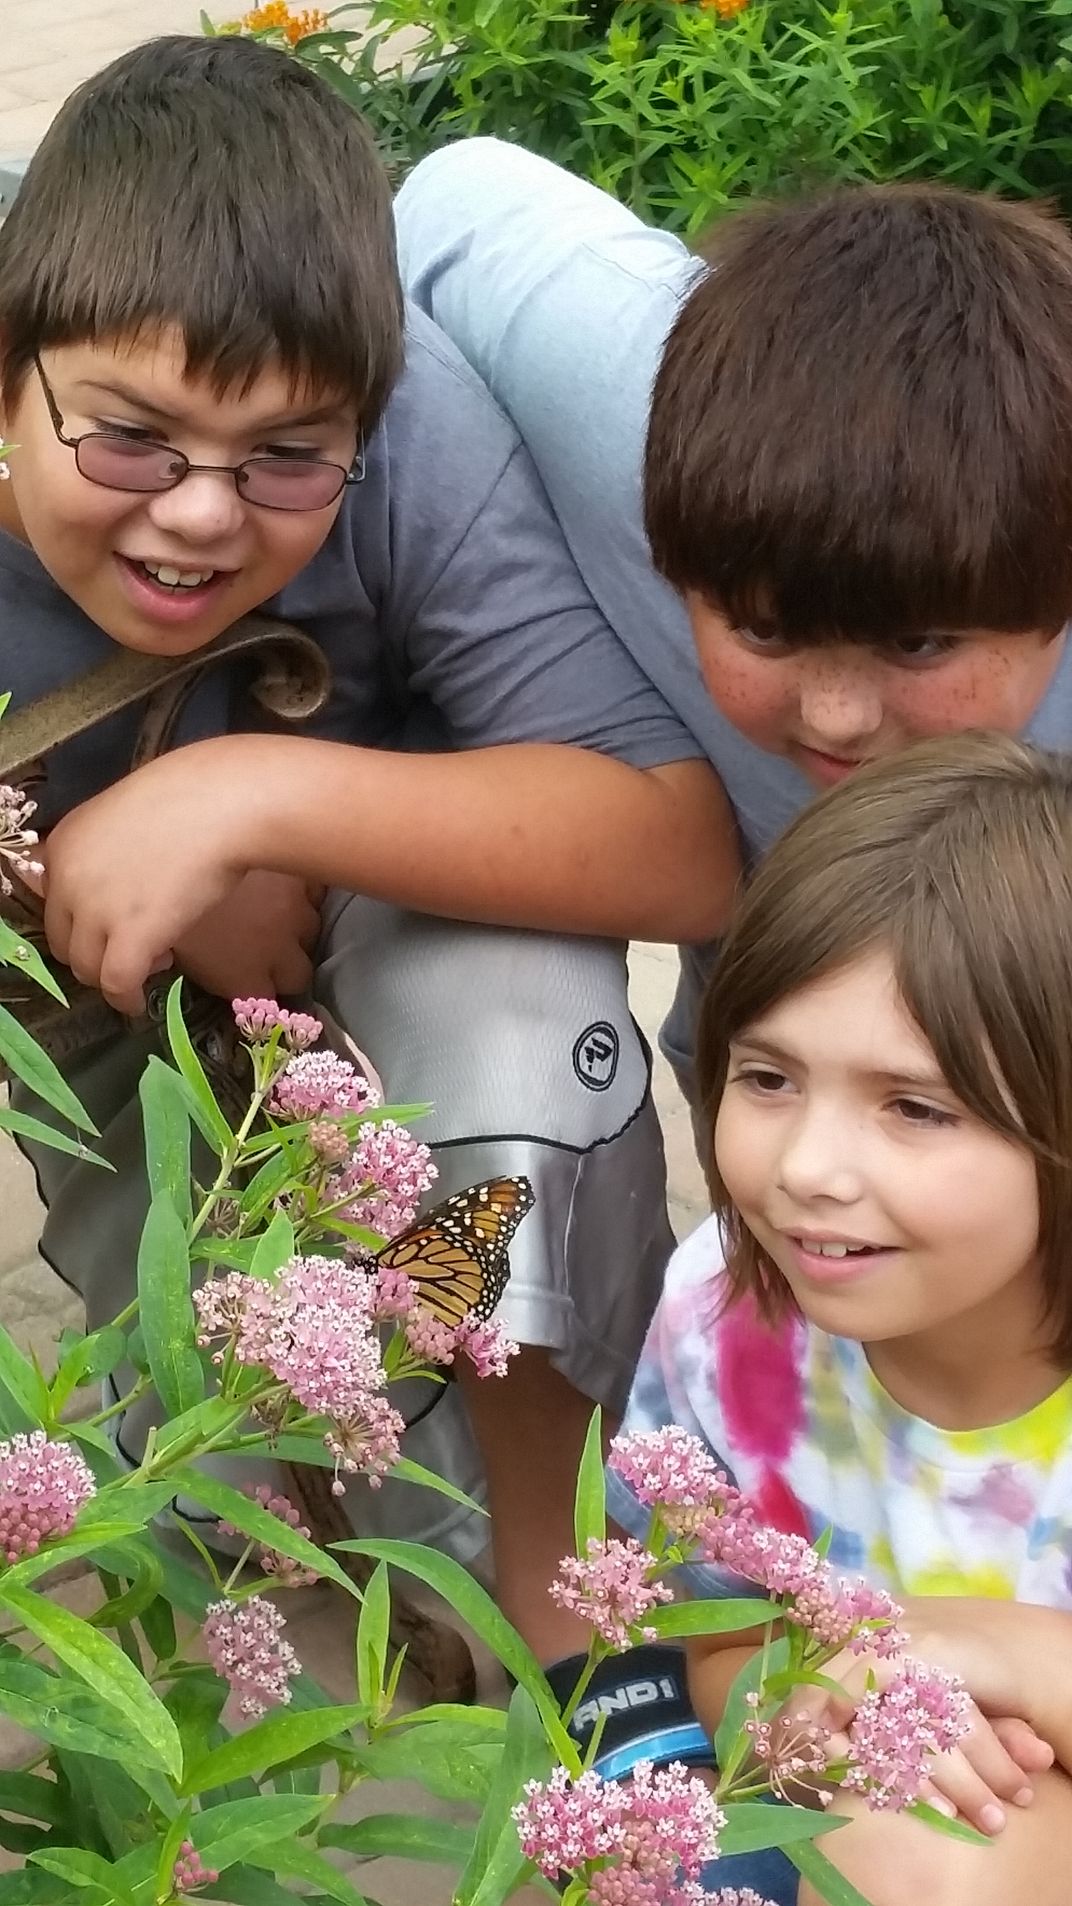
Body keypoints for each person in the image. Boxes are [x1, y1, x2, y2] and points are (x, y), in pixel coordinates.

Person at [0, 37, 738, 1663]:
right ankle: (369, 1540)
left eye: (283, 455)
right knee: (233, 1405)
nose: (199, 513)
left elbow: (677, 839)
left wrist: (247, 794)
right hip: (97, 1010)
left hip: (380, 952)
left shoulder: (414, 434)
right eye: (127, 438)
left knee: (510, 1062)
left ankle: (554, 1593)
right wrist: (74, 874)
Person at [609, 731, 1072, 1906]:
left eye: (915, 1105)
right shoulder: (728, 1315)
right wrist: (817, 1691)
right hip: (846, 1801)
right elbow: (700, 1641)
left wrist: (992, 1648)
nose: (808, 1168)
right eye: (767, 1078)